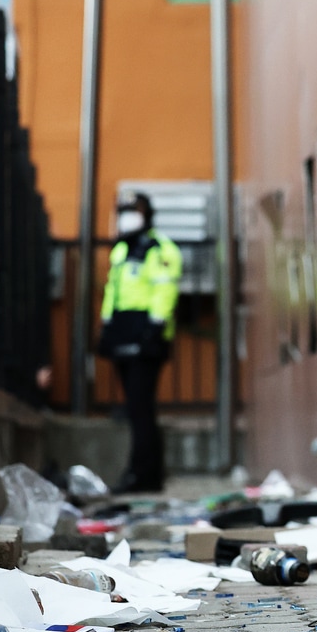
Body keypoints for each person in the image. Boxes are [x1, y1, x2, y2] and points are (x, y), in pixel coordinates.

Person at [98, 192, 182, 493]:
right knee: (136, 408)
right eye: (123, 211)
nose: (126, 216)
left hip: (147, 337)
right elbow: (113, 290)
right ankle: (147, 475)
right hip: (122, 332)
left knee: (141, 408)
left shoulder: (160, 248)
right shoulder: (121, 249)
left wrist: (154, 328)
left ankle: (143, 475)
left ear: (147, 215)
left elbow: (165, 290)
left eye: (133, 211)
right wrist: (106, 325)